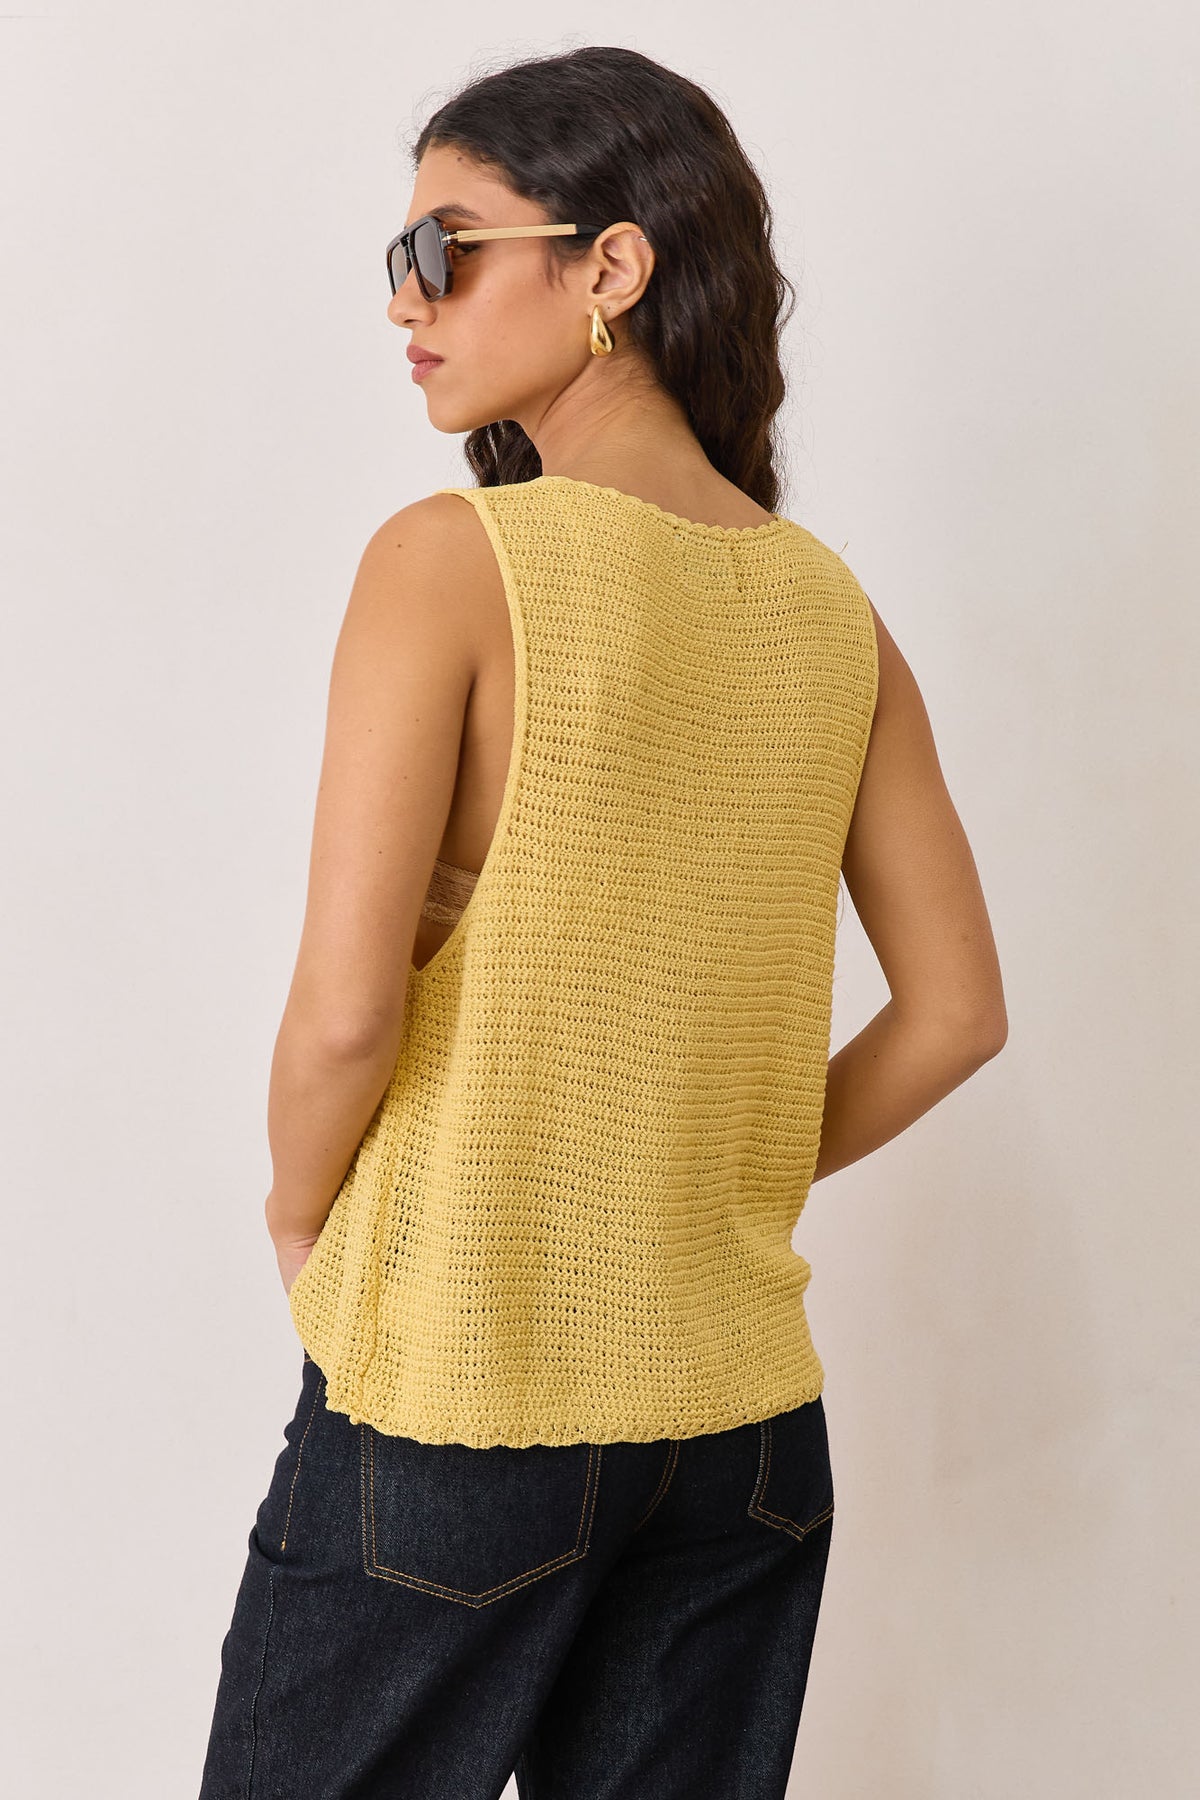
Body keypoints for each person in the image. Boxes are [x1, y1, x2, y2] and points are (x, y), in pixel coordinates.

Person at [198, 44, 1007, 1800]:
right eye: (399, 259)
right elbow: (957, 1011)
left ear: (611, 269)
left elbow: (344, 1012)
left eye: (445, 248)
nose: (403, 300)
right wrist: (707, 1173)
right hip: (743, 1434)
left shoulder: (451, 561)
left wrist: (298, 1215)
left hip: (461, 1393)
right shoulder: (833, 616)